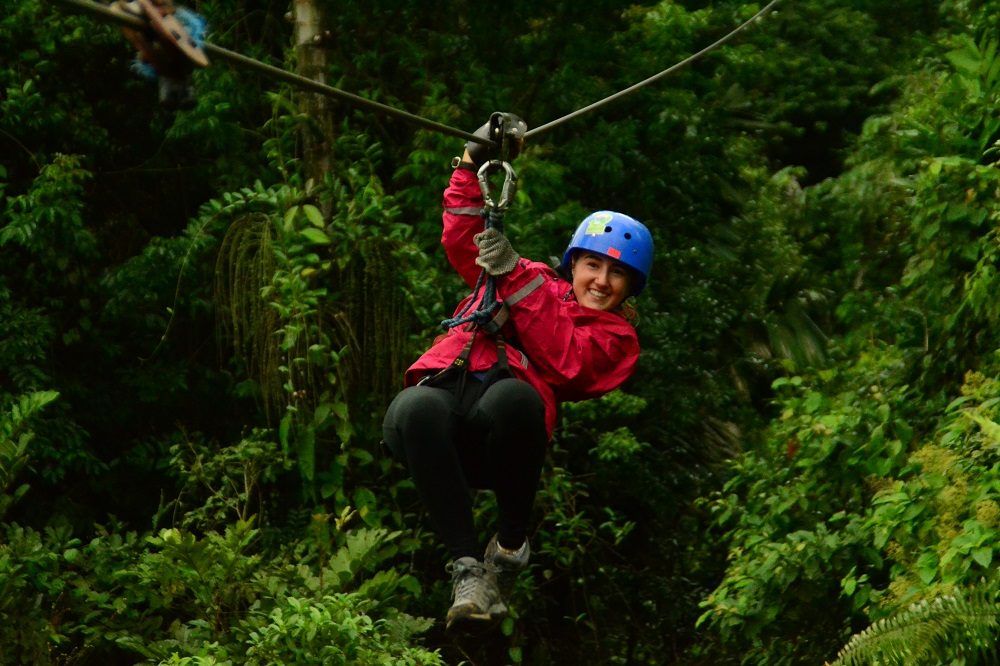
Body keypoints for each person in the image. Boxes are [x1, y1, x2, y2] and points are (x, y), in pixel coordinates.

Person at [381, 116, 654, 631]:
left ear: (629, 287)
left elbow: (566, 359)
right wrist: (470, 161)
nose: (601, 281)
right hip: (451, 398)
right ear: (573, 264)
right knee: (415, 406)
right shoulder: (530, 278)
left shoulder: (617, 338)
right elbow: (464, 239)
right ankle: (467, 567)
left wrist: (515, 276)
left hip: (501, 433)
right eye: (593, 265)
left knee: (515, 399)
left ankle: (507, 548)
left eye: (617, 273)